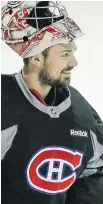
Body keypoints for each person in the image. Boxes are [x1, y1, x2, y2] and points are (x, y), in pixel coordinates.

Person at [1, 1, 103, 204]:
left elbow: (95, 170)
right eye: (65, 54)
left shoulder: (79, 108)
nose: (74, 62)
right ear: (37, 57)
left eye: (72, 52)